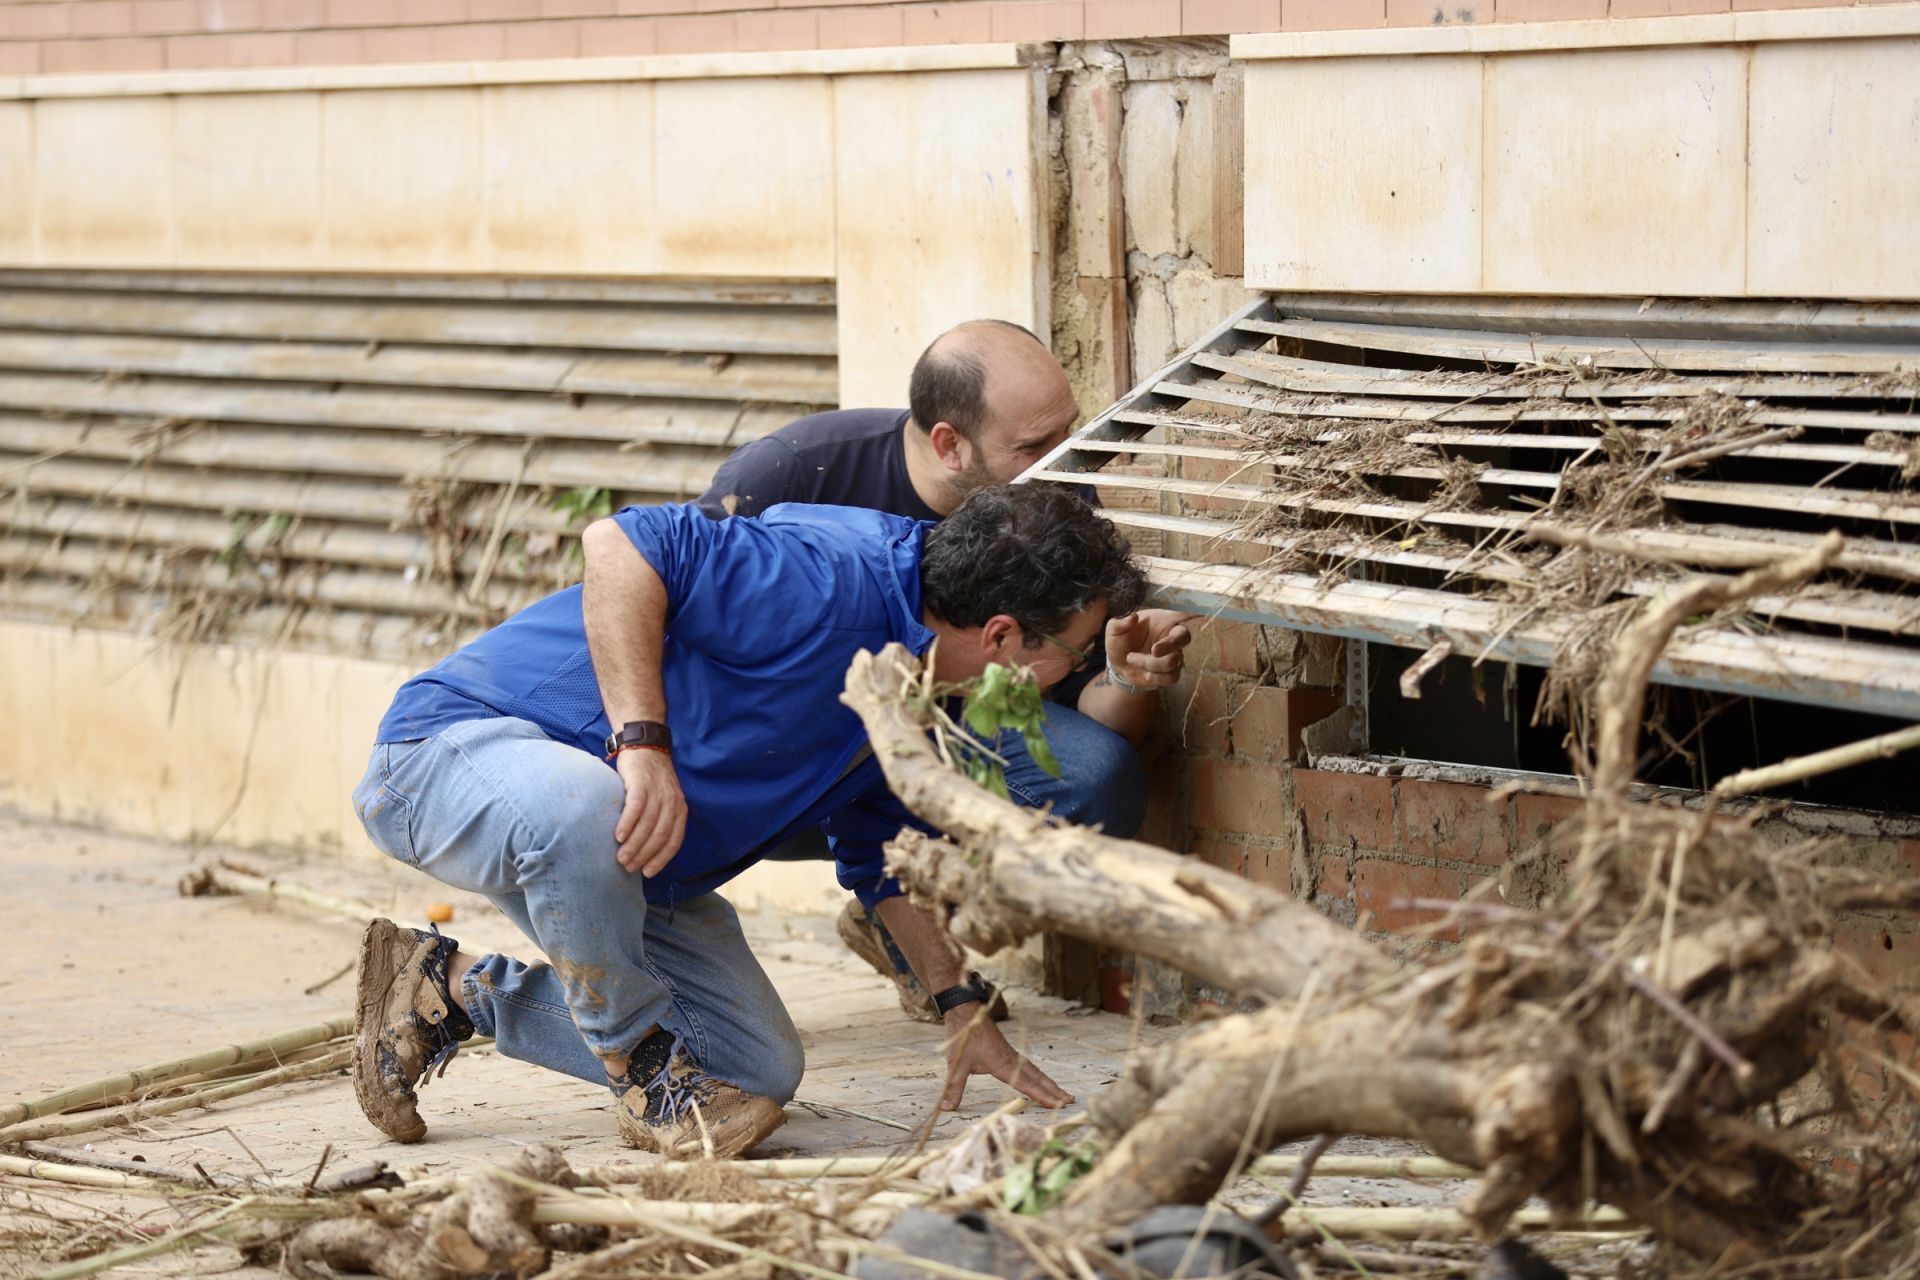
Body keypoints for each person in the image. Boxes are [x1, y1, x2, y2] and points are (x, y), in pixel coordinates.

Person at [350, 484, 1146, 1159]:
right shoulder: (829, 579)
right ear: (1005, 637)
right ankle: (641, 1070)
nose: (1072, 674)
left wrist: (958, 1009)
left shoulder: (923, 687)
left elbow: (880, 857)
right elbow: (619, 544)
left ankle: (445, 990)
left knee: (756, 1073)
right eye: (1073, 655)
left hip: (633, 855)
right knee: (586, 802)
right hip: (447, 754)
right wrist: (642, 744)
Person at [697, 319, 1195, 1021]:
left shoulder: (1053, 493)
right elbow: (679, 623)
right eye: (1033, 445)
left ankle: (904, 918)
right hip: (794, 738)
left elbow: (1094, 719)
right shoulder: (790, 473)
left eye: (1069, 433)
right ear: (948, 445)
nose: (1066, 463)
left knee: (1098, 776)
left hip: (959, 732)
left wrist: (1126, 678)